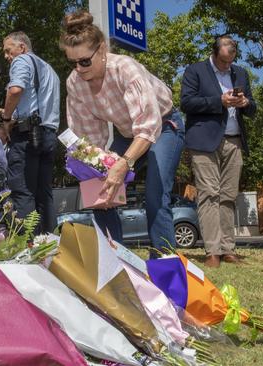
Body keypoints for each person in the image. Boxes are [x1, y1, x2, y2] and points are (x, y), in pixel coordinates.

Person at [60, 10, 185, 255]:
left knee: (155, 193)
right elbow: (89, 139)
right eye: (72, 62)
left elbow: (148, 126)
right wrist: (95, 167)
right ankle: (115, 259)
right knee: (99, 188)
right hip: (126, 134)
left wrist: (124, 163)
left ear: (102, 49)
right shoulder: (74, 83)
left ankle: (164, 260)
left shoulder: (125, 69)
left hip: (163, 127)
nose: (79, 68)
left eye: (85, 61)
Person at [180, 35, 256, 267]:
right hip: (204, 141)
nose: (227, 66)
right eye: (223, 62)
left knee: (228, 196)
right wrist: (218, 101)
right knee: (209, 194)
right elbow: (186, 103)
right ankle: (212, 251)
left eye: (230, 61)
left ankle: (228, 249)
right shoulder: (195, 71)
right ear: (214, 53)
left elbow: (253, 108)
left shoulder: (240, 73)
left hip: (234, 142)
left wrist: (246, 104)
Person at [0, 31, 60, 233]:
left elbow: (15, 90)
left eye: (8, 51)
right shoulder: (50, 70)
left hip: (26, 135)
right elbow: (37, 103)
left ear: (22, 47)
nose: (7, 57)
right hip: (48, 134)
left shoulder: (22, 60)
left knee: (23, 191)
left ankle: (27, 248)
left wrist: (7, 118)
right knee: (44, 193)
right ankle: (50, 242)